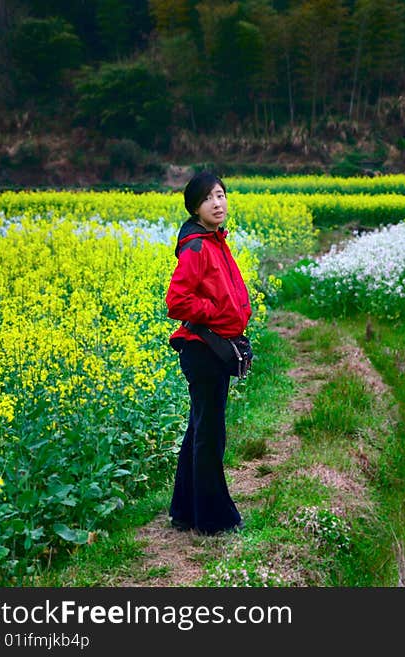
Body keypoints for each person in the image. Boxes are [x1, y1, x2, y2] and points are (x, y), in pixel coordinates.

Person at [164, 171, 251, 535]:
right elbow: (177, 301)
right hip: (204, 352)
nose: (218, 203)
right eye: (208, 199)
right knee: (209, 435)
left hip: (211, 350)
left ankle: (186, 512)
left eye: (221, 195)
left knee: (199, 430)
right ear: (195, 208)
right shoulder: (197, 246)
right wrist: (216, 314)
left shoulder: (214, 240)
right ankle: (212, 521)